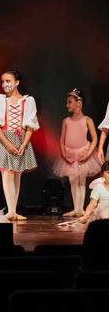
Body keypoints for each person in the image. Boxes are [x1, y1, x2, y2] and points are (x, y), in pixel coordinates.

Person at [0, 69, 38, 221]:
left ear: (17, 82)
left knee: (17, 176)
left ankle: (13, 210)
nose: (4, 84)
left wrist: (24, 144)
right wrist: (7, 144)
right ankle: (11, 211)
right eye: (3, 81)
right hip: (3, 139)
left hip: (20, 139)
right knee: (7, 175)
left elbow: (30, 126)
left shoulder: (28, 101)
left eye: (8, 81)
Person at [55, 88, 101, 217]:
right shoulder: (66, 121)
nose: (67, 105)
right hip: (69, 154)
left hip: (83, 153)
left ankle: (81, 209)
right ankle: (76, 209)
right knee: (72, 181)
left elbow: (94, 138)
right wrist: (64, 154)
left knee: (81, 182)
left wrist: (88, 154)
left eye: (69, 102)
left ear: (79, 103)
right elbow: (62, 139)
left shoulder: (87, 120)